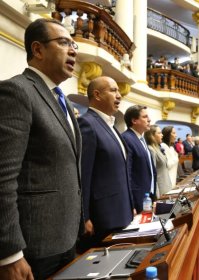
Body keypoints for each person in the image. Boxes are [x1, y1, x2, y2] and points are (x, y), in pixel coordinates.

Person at [0, 18, 81, 280]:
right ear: (38, 50)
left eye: (74, 44)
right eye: (63, 42)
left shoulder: (63, 101)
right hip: (33, 247)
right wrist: (9, 253)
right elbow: (3, 177)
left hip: (67, 238)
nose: (73, 50)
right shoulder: (18, 91)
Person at [78, 76, 133, 249]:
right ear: (97, 95)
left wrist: (130, 204)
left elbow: (121, 170)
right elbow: (83, 174)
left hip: (122, 212)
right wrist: (84, 217)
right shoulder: (87, 123)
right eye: (113, 90)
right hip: (103, 218)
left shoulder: (112, 125)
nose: (119, 95)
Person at [122, 105, 156, 213]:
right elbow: (128, 174)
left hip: (147, 195)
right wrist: (131, 203)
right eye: (145, 117)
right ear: (134, 120)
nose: (149, 120)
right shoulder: (127, 138)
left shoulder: (141, 138)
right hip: (137, 199)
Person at [144, 125, 172, 196]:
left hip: (167, 186)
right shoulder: (151, 150)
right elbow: (153, 174)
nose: (162, 135)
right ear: (152, 136)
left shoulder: (158, 148)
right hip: (160, 189)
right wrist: (157, 195)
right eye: (159, 133)